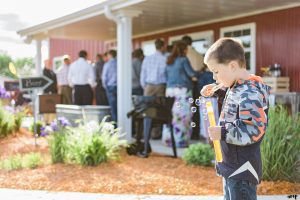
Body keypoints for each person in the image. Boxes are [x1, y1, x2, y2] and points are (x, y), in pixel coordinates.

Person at [201, 38, 270, 200]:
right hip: (233, 167)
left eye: (216, 71)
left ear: (232, 66)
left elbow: (252, 128)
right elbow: (235, 105)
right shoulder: (238, 87)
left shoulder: (250, 93)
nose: (214, 77)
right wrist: (216, 90)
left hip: (242, 171)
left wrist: (223, 132)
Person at [162, 41, 197, 148]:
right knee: (183, 116)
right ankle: (180, 142)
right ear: (183, 50)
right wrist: (199, 73)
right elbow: (191, 73)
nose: (187, 51)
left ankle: (168, 140)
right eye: (186, 49)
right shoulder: (183, 59)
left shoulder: (169, 60)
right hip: (182, 91)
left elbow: (165, 76)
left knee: (171, 116)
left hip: (169, 91)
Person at [140, 38, 167, 139]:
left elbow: (143, 73)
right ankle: (156, 133)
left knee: (147, 110)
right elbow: (166, 74)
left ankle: (146, 132)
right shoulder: (164, 59)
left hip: (149, 86)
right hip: (160, 86)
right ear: (163, 46)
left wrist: (145, 86)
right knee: (159, 110)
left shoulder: (147, 58)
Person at [102, 50, 117, 123]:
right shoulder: (119, 63)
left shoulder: (107, 64)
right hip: (120, 87)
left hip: (110, 87)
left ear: (110, 55)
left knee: (113, 108)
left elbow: (104, 77)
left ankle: (115, 125)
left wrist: (105, 87)